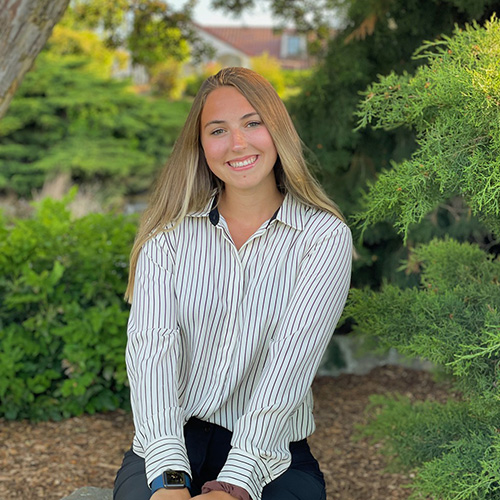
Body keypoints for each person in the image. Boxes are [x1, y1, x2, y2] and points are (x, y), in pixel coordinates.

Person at [113, 67, 352, 500]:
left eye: (253, 123)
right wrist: (169, 479)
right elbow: (152, 354)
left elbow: (289, 365)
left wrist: (233, 485)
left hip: (273, 451)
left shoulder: (323, 237)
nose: (237, 144)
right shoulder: (166, 236)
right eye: (218, 130)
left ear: (277, 130)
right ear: (201, 145)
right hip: (170, 441)